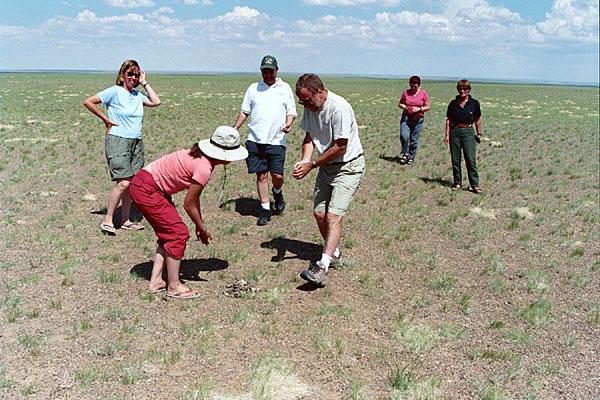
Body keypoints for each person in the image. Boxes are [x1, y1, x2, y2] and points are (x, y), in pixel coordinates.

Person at [129, 127, 248, 299]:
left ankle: (156, 281)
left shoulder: (201, 157)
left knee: (169, 233)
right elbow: (188, 204)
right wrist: (201, 227)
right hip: (147, 190)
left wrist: (199, 225)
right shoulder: (204, 168)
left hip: (145, 185)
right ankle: (174, 286)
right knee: (177, 234)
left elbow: (194, 198)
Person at [292, 74, 365, 287]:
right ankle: (334, 252)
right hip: (326, 167)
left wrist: (313, 165)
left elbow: (340, 146)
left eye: (307, 100)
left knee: (333, 216)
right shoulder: (310, 106)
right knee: (319, 213)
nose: (305, 105)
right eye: (301, 101)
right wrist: (305, 160)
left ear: (321, 92)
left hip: (348, 166)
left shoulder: (338, 108)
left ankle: (322, 265)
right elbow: (309, 137)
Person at [83, 59, 161, 235]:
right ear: (122, 75)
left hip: (136, 142)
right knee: (123, 182)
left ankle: (125, 220)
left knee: (131, 183)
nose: (133, 77)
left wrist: (145, 82)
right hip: (118, 141)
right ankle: (108, 219)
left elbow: (156, 102)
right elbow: (88, 101)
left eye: (136, 74)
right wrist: (106, 120)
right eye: (130, 74)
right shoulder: (114, 92)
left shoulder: (138, 95)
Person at [233, 55, 297, 225]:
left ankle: (277, 192)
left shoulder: (285, 88)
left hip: (276, 140)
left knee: (277, 175)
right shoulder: (254, 89)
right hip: (255, 139)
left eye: (271, 71)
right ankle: (265, 210)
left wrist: (289, 123)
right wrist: (234, 129)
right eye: (264, 71)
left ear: (277, 70)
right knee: (261, 176)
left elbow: (291, 111)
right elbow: (244, 112)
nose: (267, 74)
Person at [444, 79, 483, 193]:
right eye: (460, 89)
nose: (462, 91)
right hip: (455, 131)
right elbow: (448, 120)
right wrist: (447, 135)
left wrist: (479, 133)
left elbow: (478, 119)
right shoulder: (453, 104)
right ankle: (457, 183)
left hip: (468, 132)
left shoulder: (474, 103)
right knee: (455, 159)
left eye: (465, 89)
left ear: (469, 90)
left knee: (470, 159)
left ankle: (474, 185)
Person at [397, 75, 430, 165]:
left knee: (414, 139)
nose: (413, 88)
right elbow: (400, 103)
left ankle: (411, 156)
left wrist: (419, 109)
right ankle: (405, 153)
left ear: (419, 85)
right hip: (406, 117)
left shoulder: (423, 93)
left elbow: (428, 106)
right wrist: (406, 107)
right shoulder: (406, 92)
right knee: (404, 135)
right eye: (412, 85)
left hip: (418, 118)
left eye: (415, 86)